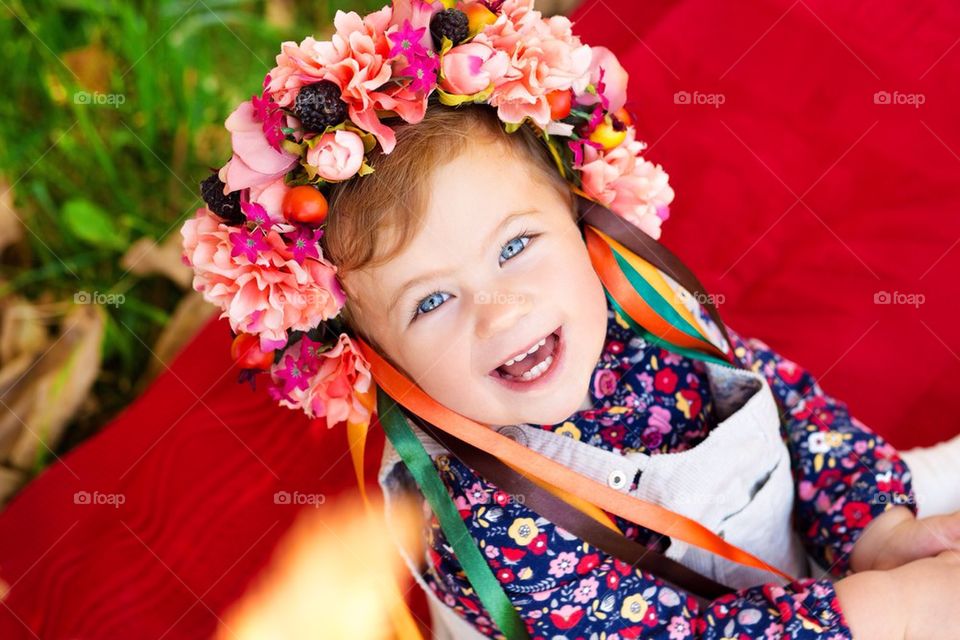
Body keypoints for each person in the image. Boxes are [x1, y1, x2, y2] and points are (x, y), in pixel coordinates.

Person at [181, 1, 960, 637]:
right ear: (371, 358)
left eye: (516, 245)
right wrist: (884, 613)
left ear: (585, 219)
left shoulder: (649, 324)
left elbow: (787, 405)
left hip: (811, 581)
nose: (500, 308)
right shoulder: (491, 527)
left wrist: (873, 531)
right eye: (431, 300)